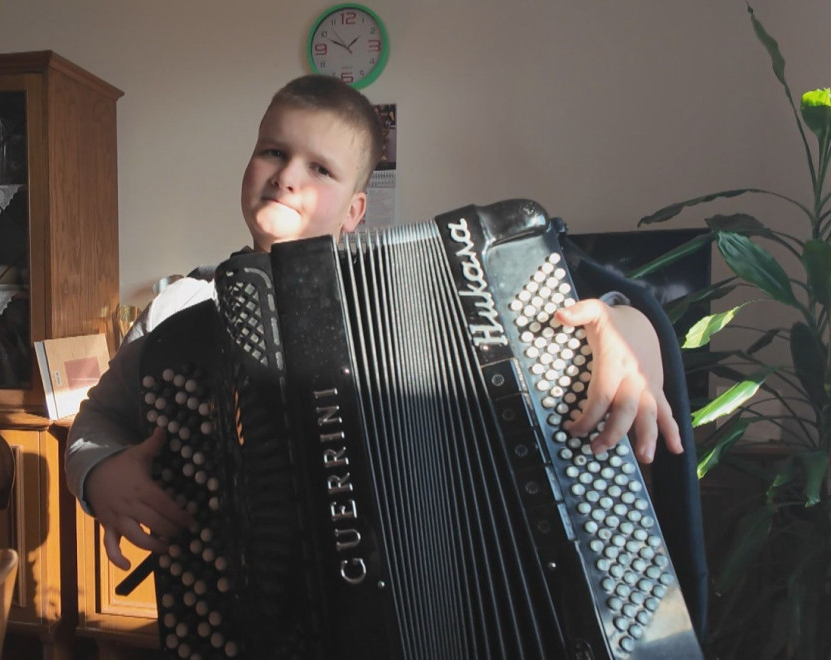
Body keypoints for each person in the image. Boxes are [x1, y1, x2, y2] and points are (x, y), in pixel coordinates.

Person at [66, 74, 683, 571]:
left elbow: (579, 322)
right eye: (274, 152)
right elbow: (98, 417)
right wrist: (98, 473)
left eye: (321, 169)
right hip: (248, 595)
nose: (287, 176)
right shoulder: (182, 310)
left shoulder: (420, 301)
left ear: (355, 210)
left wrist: (634, 333)